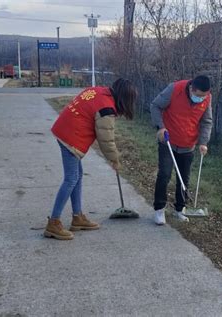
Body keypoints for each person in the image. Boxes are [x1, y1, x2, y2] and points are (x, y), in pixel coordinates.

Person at [45, 78, 137, 240]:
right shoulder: (106, 108)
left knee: (77, 175)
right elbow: (106, 139)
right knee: (71, 178)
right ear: (124, 98)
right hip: (71, 136)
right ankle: (53, 223)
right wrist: (114, 159)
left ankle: (77, 217)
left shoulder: (99, 90)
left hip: (65, 128)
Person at [150, 75, 212, 225]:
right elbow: (155, 106)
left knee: (184, 178)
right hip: (168, 141)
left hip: (188, 144)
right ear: (192, 89)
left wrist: (203, 142)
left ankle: (180, 209)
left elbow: (207, 121)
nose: (201, 99)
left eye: (204, 96)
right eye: (199, 96)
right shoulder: (175, 89)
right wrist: (160, 127)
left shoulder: (207, 98)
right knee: (164, 174)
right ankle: (159, 209)